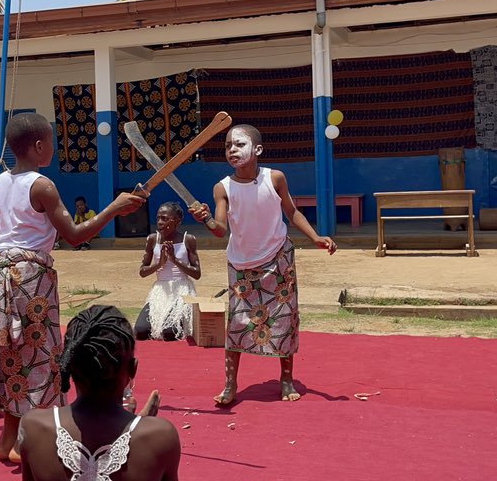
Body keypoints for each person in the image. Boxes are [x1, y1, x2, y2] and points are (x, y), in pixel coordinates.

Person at [0, 112, 146, 462]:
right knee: (41, 358)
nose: (54, 147)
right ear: (38, 146)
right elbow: (75, 235)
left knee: (8, 358)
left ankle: (8, 439)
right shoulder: (42, 185)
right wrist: (115, 208)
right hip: (26, 278)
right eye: (51, 141)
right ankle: (31, 440)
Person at [191, 124, 336, 405]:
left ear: (257, 150)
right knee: (237, 323)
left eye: (239, 144)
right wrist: (206, 219)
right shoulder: (222, 188)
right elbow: (221, 229)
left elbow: (291, 213)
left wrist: (316, 237)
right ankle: (230, 385)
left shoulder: (275, 178)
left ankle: (286, 380)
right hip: (241, 264)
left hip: (279, 258)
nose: (232, 150)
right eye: (227, 146)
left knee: (284, 320)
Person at [19, 305, 180, 481]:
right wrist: (138, 424)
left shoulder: (33, 427)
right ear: (133, 369)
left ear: (68, 365)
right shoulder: (160, 436)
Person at [135, 202, 201, 341]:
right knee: (140, 331)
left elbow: (197, 273)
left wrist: (175, 259)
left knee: (169, 332)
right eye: (158, 218)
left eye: (164, 218)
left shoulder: (188, 240)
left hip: (181, 291)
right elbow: (142, 271)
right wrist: (159, 264)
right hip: (160, 291)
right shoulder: (152, 239)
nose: (160, 222)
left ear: (177, 221)